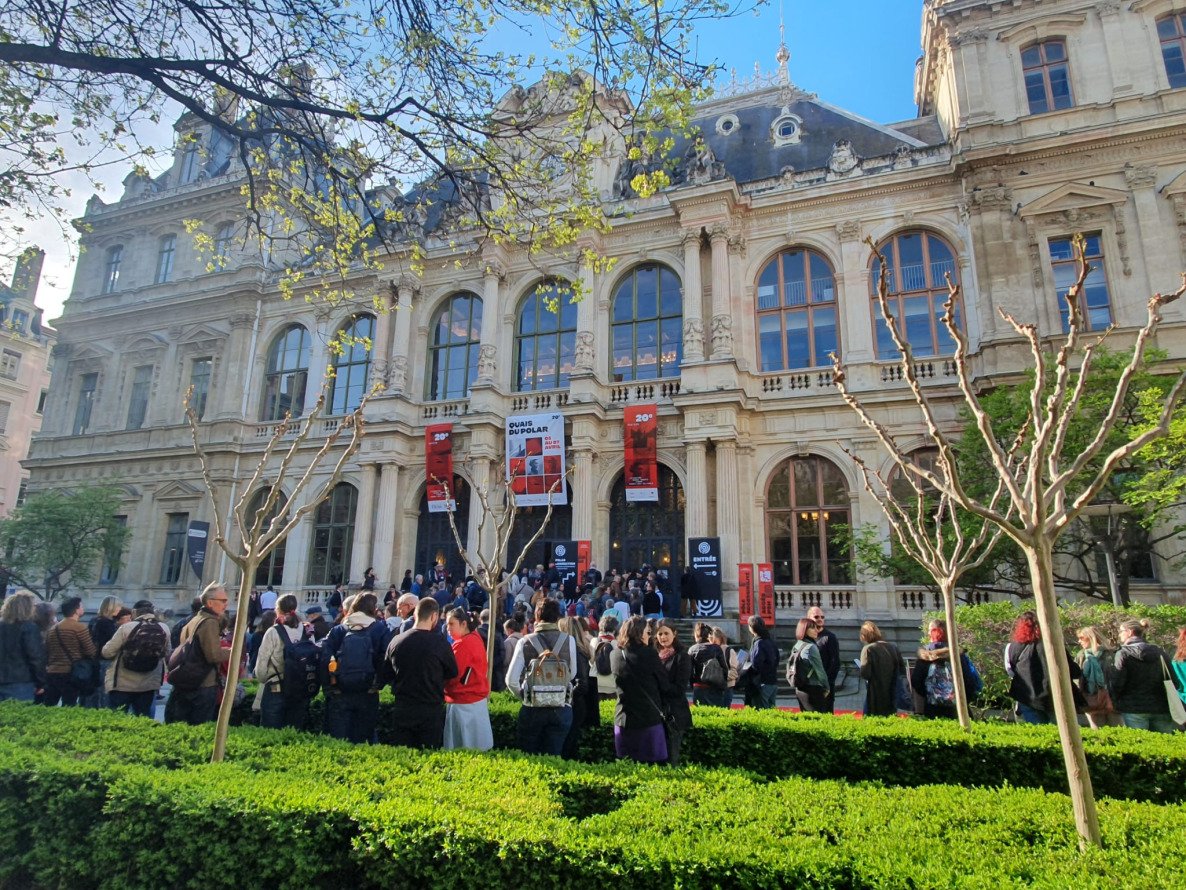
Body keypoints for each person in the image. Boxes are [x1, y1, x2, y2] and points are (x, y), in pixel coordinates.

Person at [505, 598, 579, 756]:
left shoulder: (525, 641)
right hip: (561, 707)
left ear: (536, 618)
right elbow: (572, 674)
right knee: (554, 758)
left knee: (529, 759)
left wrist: (525, 696)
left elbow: (511, 680)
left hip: (532, 709)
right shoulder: (569, 640)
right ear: (558, 617)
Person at [385, 597, 458, 748]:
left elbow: (386, 674)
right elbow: (452, 672)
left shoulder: (396, 641)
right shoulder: (440, 643)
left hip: (403, 706)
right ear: (434, 617)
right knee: (429, 758)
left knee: (401, 757)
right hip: (430, 707)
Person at [321, 592, 386, 743]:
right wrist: (379, 684)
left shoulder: (339, 630)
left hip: (340, 691)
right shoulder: (379, 629)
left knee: (338, 741)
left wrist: (329, 688)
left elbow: (325, 659)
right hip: (368, 691)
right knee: (365, 740)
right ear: (373, 609)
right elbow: (385, 661)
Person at [165, 582, 231, 725]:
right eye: (223, 600)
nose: (226, 604)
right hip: (203, 683)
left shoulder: (195, 619)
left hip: (188, 679)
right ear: (210, 603)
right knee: (198, 727)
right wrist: (232, 652)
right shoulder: (210, 622)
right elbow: (213, 655)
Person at [610, 615, 673, 764]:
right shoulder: (649, 653)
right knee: (652, 768)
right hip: (648, 720)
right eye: (647, 632)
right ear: (639, 633)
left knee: (625, 767)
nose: (649, 636)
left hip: (623, 718)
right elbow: (664, 684)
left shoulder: (615, 654)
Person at [1004, 610, 1081, 725]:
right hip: (1056, 696)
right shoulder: (1054, 645)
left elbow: (1010, 671)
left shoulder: (1012, 648)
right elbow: (1072, 670)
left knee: (1037, 734)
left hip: (1028, 697)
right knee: (1063, 731)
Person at [252, 594, 316, 730]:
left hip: (276, 688)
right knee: (293, 735)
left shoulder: (273, 632)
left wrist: (263, 679)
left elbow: (261, 666)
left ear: (277, 609)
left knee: (270, 734)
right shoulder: (307, 630)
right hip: (300, 690)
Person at [102, 599, 171, 718]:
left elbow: (107, 652)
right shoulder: (164, 628)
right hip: (149, 683)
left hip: (123, 683)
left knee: (116, 719)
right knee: (143, 719)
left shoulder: (126, 627)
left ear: (134, 612)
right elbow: (167, 652)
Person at [1112, 619, 1180, 733]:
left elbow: (1118, 682)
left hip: (1133, 707)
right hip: (1161, 707)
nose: (1119, 635)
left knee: (1140, 746)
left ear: (1130, 632)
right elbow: (1174, 682)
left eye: (1121, 631)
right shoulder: (1160, 653)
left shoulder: (1123, 654)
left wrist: (1116, 700)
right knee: (1165, 746)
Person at [443, 607, 493, 751]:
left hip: (463, 703)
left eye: (451, 624)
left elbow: (453, 675)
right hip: (475, 702)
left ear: (464, 624)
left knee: (461, 748)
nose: (448, 628)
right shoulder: (475, 638)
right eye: (447, 624)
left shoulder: (463, 644)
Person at [911, 619, 979, 721]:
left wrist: (929, 695)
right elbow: (970, 681)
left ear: (932, 633)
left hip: (932, 708)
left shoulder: (925, 656)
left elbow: (916, 681)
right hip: (957, 708)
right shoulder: (958, 655)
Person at [43, 596, 97, 707]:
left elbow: (47, 650)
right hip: (70, 672)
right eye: (81, 606)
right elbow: (90, 651)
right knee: (69, 705)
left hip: (52, 671)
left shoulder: (53, 629)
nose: (83, 608)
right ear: (76, 610)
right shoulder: (79, 628)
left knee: (49, 704)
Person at [558, 615, 598, 758]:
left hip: (575, 705)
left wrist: (565, 696)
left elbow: (582, 684)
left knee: (568, 746)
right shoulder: (578, 649)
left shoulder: (577, 652)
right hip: (577, 704)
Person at [653, 620, 692, 765]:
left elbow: (680, 688)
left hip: (674, 714)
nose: (663, 637)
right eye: (660, 634)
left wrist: (661, 685)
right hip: (656, 713)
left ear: (674, 634)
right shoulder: (654, 655)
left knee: (671, 758)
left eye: (666, 633)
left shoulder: (682, 656)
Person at [0, 591, 47, 702]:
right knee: (18, 715)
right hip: (20, 680)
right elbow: (35, 657)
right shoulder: (29, 628)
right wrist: (41, 683)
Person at [858, 621, 906, 717]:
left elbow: (865, 673)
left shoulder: (868, 649)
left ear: (864, 635)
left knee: (871, 719)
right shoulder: (893, 647)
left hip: (875, 693)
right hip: (892, 691)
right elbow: (902, 669)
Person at [1076, 626, 1120, 729]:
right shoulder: (1111, 654)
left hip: (1100, 700)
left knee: (1110, 733)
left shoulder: (1111, 654)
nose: (1079, 641)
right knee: (1110, 734)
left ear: (1091, 637)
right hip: (1103, 700)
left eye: (1081, 638)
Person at [87, 595, 122, 707]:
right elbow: (113, 643)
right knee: (104, 692)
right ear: (111, 607)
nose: (119, 609)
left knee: (94, 692)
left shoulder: (94, 620)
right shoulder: (107, 623)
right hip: (105, 660)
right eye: (118, 606)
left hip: (94, 659)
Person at [787, 617, 829, 712]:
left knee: (806, 719)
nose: (816, 630)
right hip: (813, 688)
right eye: (812, 628)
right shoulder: (811, 647)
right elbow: (820, 670)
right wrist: (827, 687)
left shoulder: (797, 645)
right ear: (805, 630)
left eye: (816, 627)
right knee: (818, 721)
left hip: (800, 687)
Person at [740, 615, 779, 709]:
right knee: (772, 711)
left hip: (761, 682)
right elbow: (777, 659)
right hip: (773, 681)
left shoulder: (759, 643)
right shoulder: (770, 641)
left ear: (751, 627)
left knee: (761, 712)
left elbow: (756, 664)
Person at [687, 621, 729, 707]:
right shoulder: (716, 648)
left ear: (696, 634)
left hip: (699, 686)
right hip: (715, 687)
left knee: (700, 714)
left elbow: (689, 672)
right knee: (716, 715)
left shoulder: (692, 649)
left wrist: (693, 685)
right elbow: (724, 669)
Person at [807, 606, 840, 713]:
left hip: (825, 686)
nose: (820, 619)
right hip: (810, 686)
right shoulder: (807, 638)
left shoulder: (830, 637)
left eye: (822, 617)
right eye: (816, 616)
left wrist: (827, 683)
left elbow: (835, 662)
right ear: (809, 618)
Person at [591, 614, 620, 701]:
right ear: (615, 630)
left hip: (595, 682)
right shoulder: (617, 644)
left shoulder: (594, 641)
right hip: (611, 684)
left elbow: (590, 661)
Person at [711, 627, 740, 708]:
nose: (711, 641)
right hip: (712, 687)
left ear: (718, 638)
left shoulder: (728, 650)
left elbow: (734, 671)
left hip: (726, 687)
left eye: (712, 638)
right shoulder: (710, 649)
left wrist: (720, 677)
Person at [247, 611, 276, 675]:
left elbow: (252, 652)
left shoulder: (256, 635)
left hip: (256, 664)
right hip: (270, 668)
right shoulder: (275, 636)